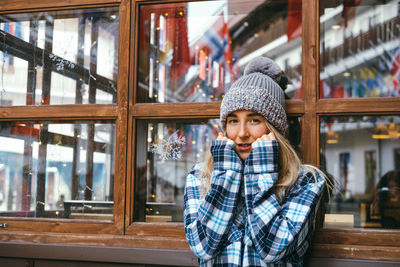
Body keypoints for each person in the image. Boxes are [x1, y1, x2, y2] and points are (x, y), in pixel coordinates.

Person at [184, 57, 327, 266]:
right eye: (233, 121)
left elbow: (273, 248)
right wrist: (226, 175)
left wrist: (260, 171)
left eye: (254, 120)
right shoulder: (199, 177)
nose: (241, 133)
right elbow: (203, 246)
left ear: (273, 128)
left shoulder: (306, 181)